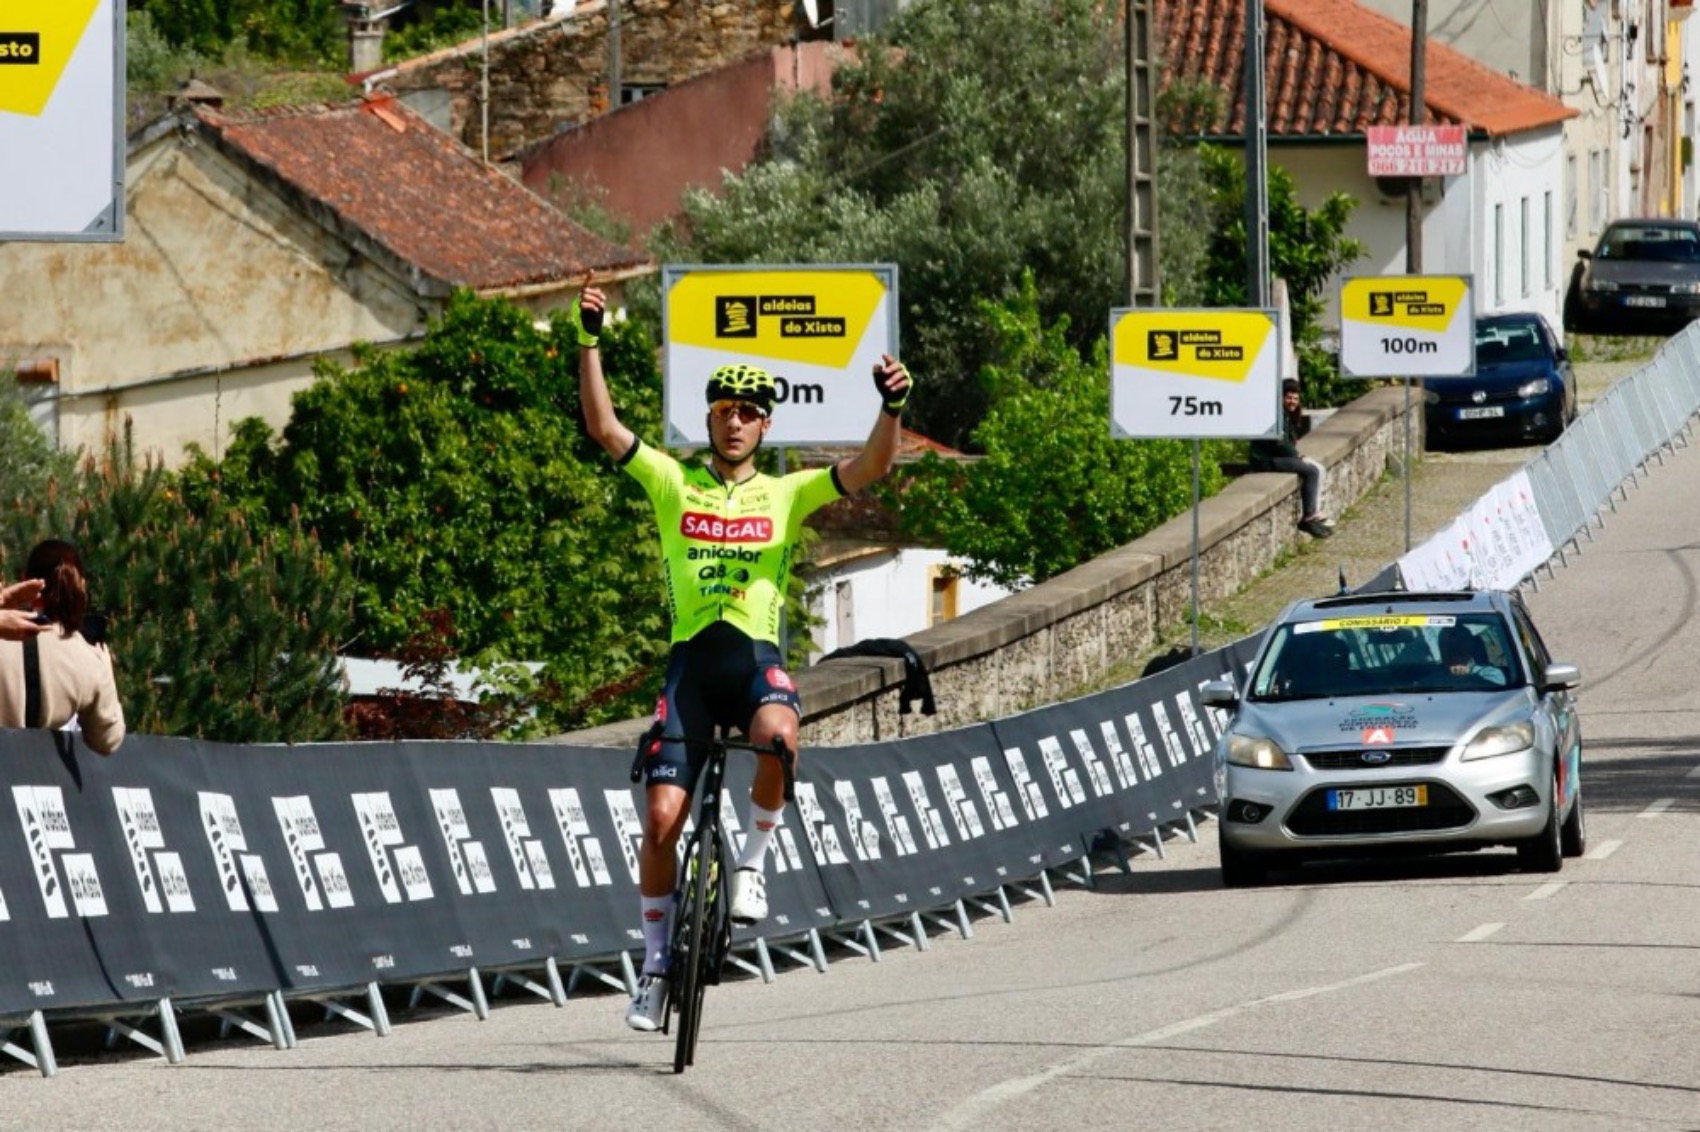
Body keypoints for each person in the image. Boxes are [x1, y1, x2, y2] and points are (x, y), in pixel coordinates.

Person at [572, 286, 912, 1033]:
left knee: (781, 738)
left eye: (750, 412)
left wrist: (890, 409)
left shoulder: (786, 492)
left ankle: (752, 863)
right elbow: (602, 427)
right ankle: (657, 967)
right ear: (711, 418)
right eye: (725, 409)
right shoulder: (673, 482)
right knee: (660, 824)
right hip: (692, 670)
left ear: (765, 424)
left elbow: (870, 469)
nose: (736, 421)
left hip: (754, 660)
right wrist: (589, 339)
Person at [0, 540, 125, 754]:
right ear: (81, 586)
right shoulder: (87, 658)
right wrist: (106, 671)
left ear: (23, 581)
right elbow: (107, 740)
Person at [1250, 378, 1334, 539]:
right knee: (1310, 471)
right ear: (1281, 397)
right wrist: (1297, 457)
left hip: (1276, 456)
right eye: (1289, 398)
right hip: (1266, 460)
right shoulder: (1275, 416)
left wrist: (1297, 455)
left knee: (1317, 468)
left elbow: (1288, 442)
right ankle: (1308, 518)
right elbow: (1280, 444)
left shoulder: (1285, 415)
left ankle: (1315, 513)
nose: (1292, 402)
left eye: (1295, 399)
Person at [1438, 625, 1507, 687]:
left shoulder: (1490, 673)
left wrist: (1467, 677)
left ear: (1469, 645)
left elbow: (1497, 693)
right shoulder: (1434, 674)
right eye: (1445, 644)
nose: (1450, 649)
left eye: (1454, 643)